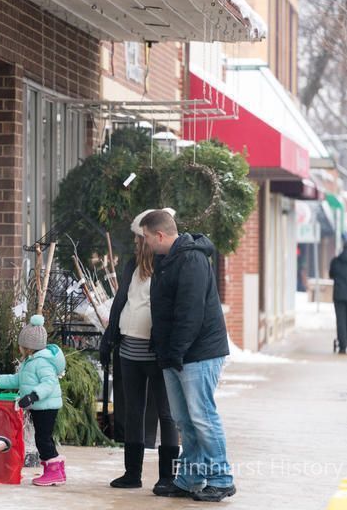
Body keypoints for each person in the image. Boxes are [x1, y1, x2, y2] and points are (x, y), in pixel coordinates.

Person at [139, 210, 235, 503]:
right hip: (175, 353)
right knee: (185, 421)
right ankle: (190, 479)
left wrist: (175, 352)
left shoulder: (192, 260)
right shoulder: (166, 260)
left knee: (202, 417)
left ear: (159, 235)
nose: (144, 243)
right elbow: (164, 310)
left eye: (146, 237)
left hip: (198, 353)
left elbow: (190, 313)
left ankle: (221, 479)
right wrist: (164, 349)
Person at [99, 208, 180, 491]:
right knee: (132, 412)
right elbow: (121, 301)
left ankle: (168, 476)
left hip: (157, 352)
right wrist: (109, 336)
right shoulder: (132, 265)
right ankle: (132, 473)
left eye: (139, 238)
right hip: (129, 349)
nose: (136, 242)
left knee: (166, 414)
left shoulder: (168, 264)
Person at [0, 314, 67, 486]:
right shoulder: (31, 361)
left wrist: (33, 396)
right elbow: (18, 380)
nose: (19, 348)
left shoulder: (42, 362)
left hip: (46, 407)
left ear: (28, 347)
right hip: (40, 406)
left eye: (21, 345)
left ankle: (53, 472)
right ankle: (57, 471)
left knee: (42, 440)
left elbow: (49, 383)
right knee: (45, 438)